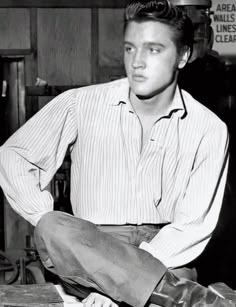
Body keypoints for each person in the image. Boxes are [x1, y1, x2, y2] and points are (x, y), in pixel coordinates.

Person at [0, 0, 232, 306]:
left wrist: (117, 281)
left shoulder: (209, 128)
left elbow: (194, 225)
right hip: (88, 244)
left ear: (183, 55)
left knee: (166, 277)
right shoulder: (80, 104)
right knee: (51, 226)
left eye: (153, 49)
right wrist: (41, 210)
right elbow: (14, 154)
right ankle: (188, 298)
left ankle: (160, 291)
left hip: (168, 251)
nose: (137, 62)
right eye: (130, 48)